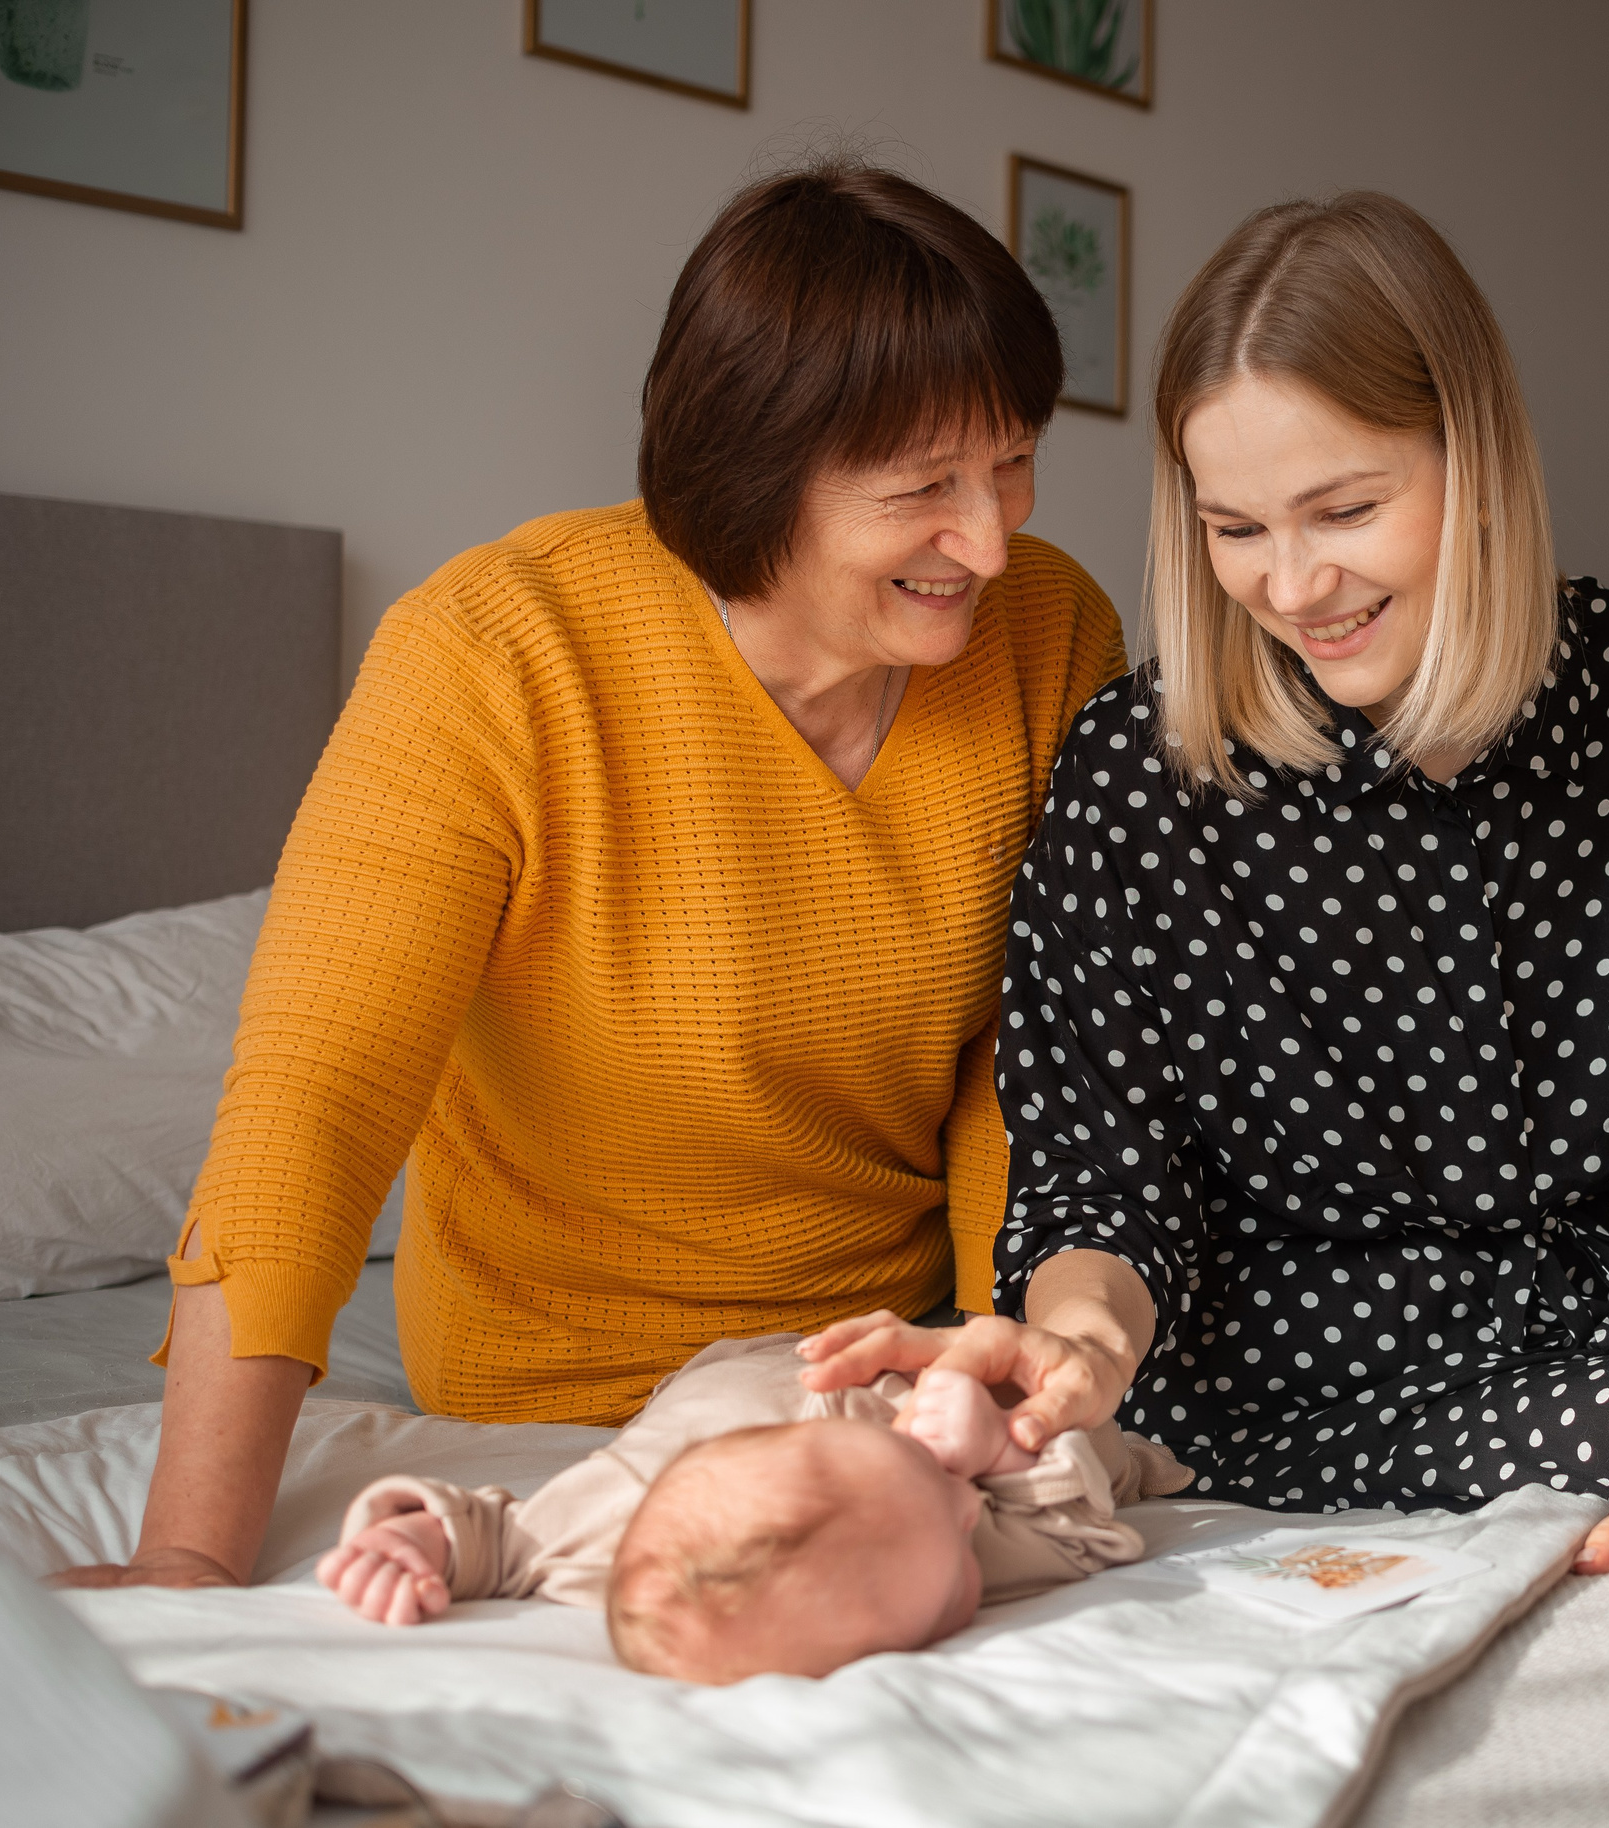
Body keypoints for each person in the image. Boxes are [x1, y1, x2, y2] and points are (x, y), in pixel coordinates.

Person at [802, 192, 1609, 1618]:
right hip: (1279, 1394)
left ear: (1473, 455)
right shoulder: (1135, 770)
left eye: (1346, 510)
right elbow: (1102, 1190)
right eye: (1235, 528)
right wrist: (1079, 1356)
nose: (1294, 585)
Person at [56, 159, 1126, 1594]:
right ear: (755, 470)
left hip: (879, 1367)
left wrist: (1005, 1377)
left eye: (1011, 463)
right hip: (545, 1390)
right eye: (924, 487)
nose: (990, 541)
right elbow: (318, 1102)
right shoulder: (493, 652)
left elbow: (1032, 1062)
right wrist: (185, 1553)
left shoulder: (1052, 634)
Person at [316, 1333, 1189, 1683]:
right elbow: (1080, 1537)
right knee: (1098, 1468)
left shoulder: (930, 1512)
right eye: (959, 1578)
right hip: (733, 1409)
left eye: (949, 1492)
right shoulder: (608, 1545)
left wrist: (415, 1538)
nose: (973, 1518)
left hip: (793, 1370)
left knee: (1067, 1417)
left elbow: (490, 1536)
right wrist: (1007, 1456)